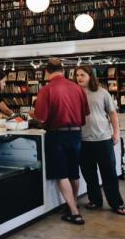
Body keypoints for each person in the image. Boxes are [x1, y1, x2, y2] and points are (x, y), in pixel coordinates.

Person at [31, 58, 90, 225]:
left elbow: (41, 117)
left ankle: (74, 212)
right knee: (73, 172)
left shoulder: (46, 89)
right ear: (63, 71)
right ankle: (72, 205)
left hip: (56, 136)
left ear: (47, 72)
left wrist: (33, 115)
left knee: (61, 174)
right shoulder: (77, 88)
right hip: (76, 134)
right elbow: (85, 113)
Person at [75, 65, 124, 215]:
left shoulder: (102, 93)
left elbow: (113, 114)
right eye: (77, 75)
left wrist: (115, 134)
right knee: (89, 174)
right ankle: (95, 200)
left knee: (108, 173)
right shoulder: (75, 94)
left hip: (103, 140)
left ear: (90, 76)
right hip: (83, 141)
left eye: (82, 75)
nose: (79, 78)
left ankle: (117, 204)